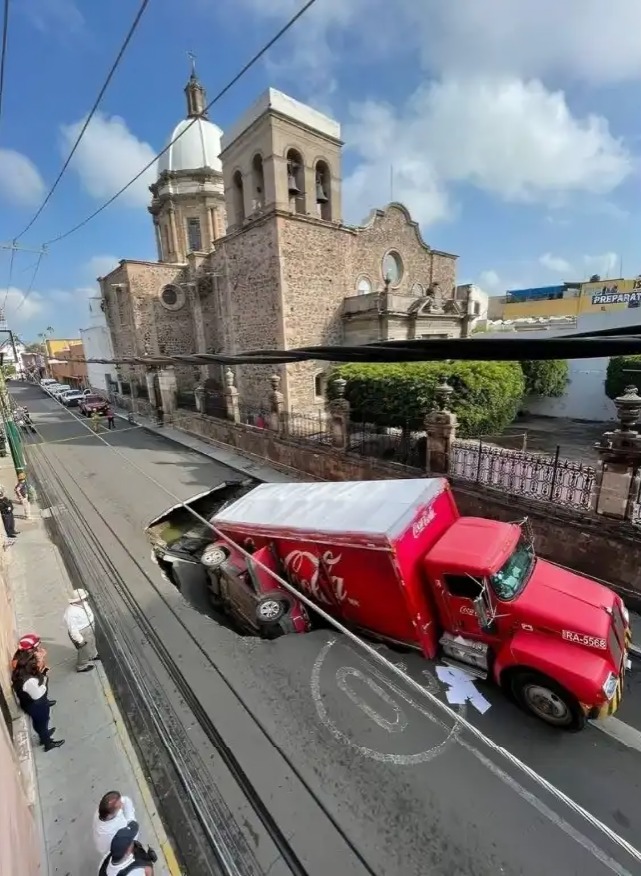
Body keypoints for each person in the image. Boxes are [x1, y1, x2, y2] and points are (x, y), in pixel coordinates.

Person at [11, 651, 64, 751]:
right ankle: (47, 743)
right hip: (36, 705)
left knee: (38, 723)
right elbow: (39, 694)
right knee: (43, 723)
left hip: (28, 704)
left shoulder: (18, 674)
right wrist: (44, 679)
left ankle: (44, 736)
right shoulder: (29, 681)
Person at [93, 791, 157, 864]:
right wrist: (131, 820)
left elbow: (125, 800)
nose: (122, 805)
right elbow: (132, 833)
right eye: (119, 806)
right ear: (111, 814)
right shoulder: (113, 830)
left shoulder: (102, 813)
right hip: (116, 853)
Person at [63, 588, 98, 672]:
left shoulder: (83, 604)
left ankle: (93, 655)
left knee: (92, 642)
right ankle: (82, 666)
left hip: (89, 628)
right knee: (83, 650)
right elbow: (73, 629)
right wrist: (80, 640)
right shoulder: (70, 613)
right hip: (81, 632)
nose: (85, 598)